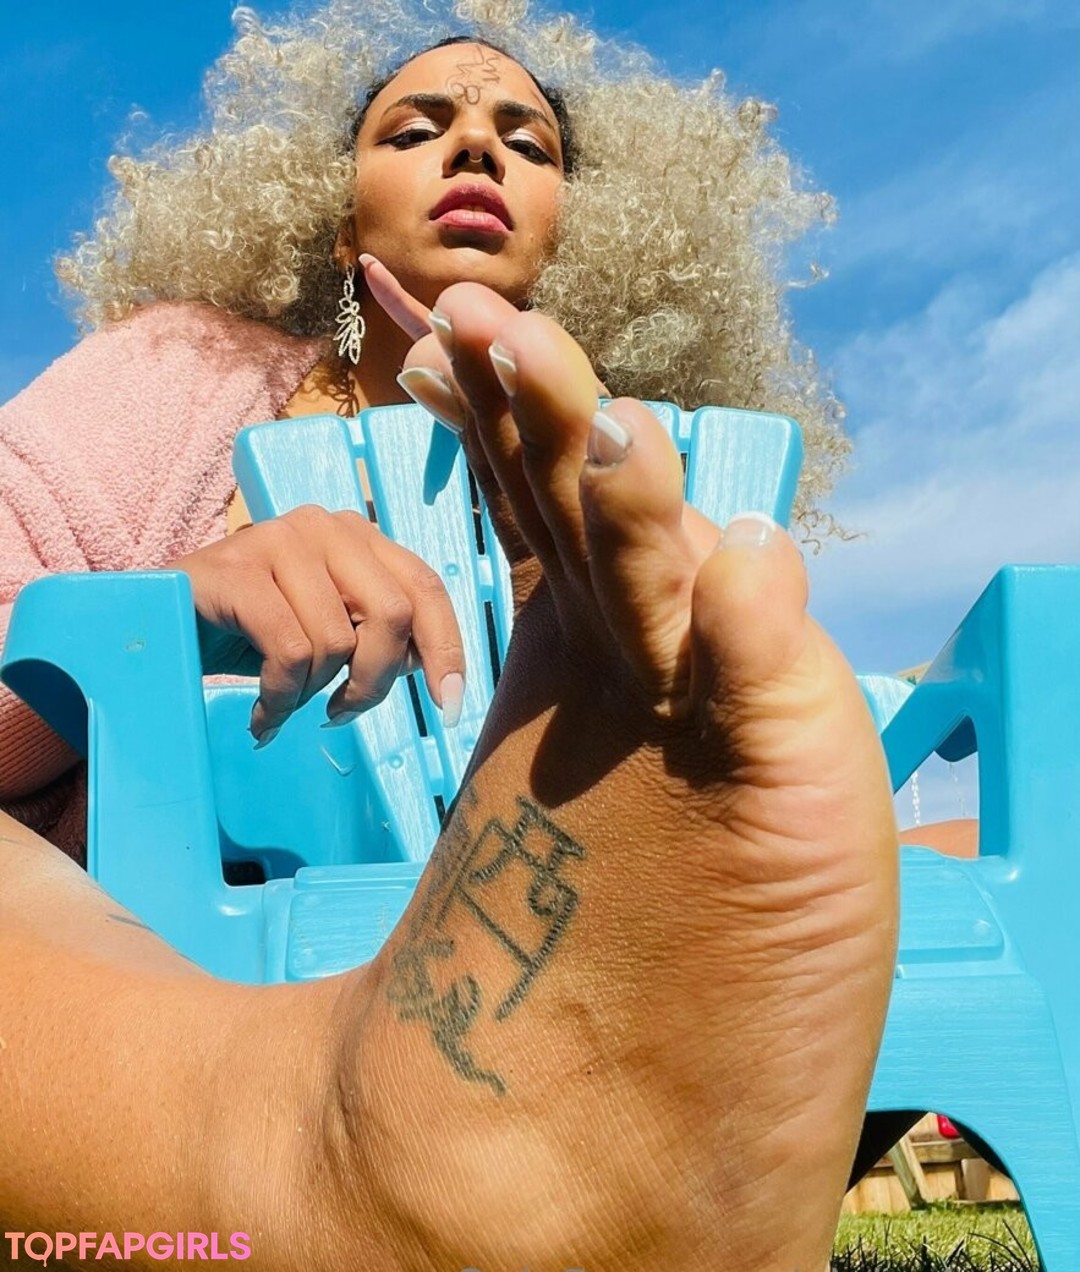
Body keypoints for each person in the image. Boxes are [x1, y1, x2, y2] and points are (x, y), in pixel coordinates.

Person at [0, 2, 901, 1267]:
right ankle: (322, 1168)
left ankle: (510, 1157)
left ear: (581, 227)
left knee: (941, 858)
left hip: (529, 941)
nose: (477, 144)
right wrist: (172, 608)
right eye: (416, 128)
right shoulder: (179, 379)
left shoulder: (635, 477)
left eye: (528, 143)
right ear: (336, 217)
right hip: (134, 954)